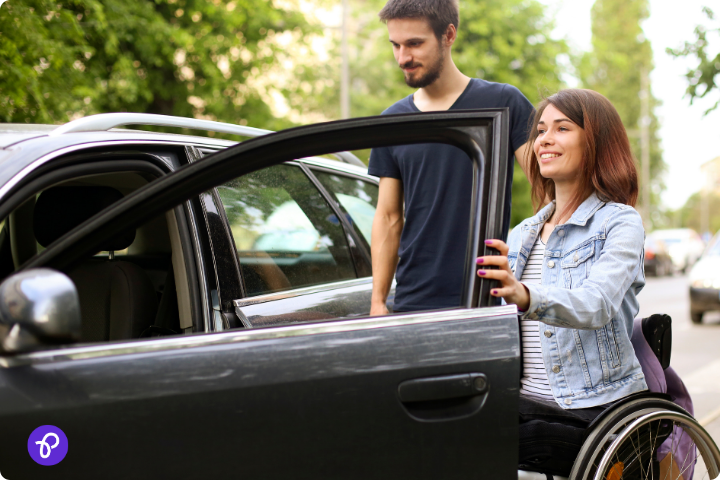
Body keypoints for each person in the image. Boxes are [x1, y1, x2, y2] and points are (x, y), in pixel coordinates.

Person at [475, 88, 648, 475]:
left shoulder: (619, 223)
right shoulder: (521, 234)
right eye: (540, 131)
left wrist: (524, 294)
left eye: (562, 128)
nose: (544, 140)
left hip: (594, 409)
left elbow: (597, 303)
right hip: (522, 402)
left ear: (596, 141)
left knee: (494, 444)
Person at [369, 0, 535, 314]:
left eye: (415, 44)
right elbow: (388, 217)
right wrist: (378, 301)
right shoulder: (391, 121)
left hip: (486, 299)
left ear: (449, 35)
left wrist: (531, 272)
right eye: (396, 45)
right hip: (411, 302)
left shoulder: (503, 102)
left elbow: (548, 189)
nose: (404, 57)